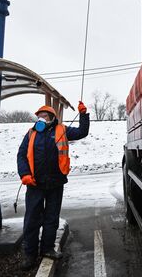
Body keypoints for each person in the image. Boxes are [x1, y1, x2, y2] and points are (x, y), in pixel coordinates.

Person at [17, 102, 89, 270]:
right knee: (32, 220)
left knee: (51, 218)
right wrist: (25, 174)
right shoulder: (31, 133)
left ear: (52, 118)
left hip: (55, 183)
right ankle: (30, 254)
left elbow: (82, 132)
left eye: (45, 116)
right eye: (39, 116)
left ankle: (47, 249)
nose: (41, 118)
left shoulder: (62, 130)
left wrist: (83, 114)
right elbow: (21, 156)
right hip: (35, 184)